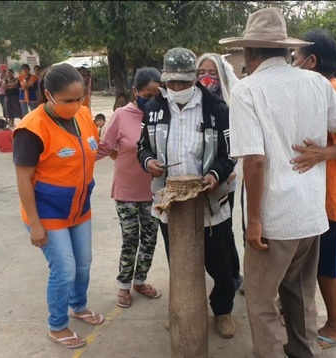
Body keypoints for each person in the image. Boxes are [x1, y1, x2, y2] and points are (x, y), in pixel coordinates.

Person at [220, 8, 336, 358]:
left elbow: (254, 161)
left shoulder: (247, 90)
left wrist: (254, 220)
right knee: (300, 294)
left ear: (250, 52)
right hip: (311, 214)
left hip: (275, 218)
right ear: (285, 51)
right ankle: (304, 351)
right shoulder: (317, 83)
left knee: (261, 299)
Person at [137, 47, 238, 339]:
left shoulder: (216, 110)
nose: (177, 88)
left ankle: (223, 311)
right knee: (179, 262)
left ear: (194, 78)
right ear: (165, 79)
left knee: (219, 263)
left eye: (184, 82)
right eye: (172, 83)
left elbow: (229, 153)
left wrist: (215, 175)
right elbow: (141, 146)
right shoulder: (154, 109)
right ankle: (183, 309)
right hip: (171, 202)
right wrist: (149, 162)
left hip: (209, 199)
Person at [13, 63, 104, 350]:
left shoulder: (84, 115)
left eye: (80, 99)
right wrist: (35, 224)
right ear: (49, 96)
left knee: (84, 264)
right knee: (64, 269)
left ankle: (78, 306)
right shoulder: (31, 129)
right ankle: (57, 325)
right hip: (48, 212)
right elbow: (24, 179)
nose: (76, 106)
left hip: (79, 207)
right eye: (68, 101)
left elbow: (88, 153)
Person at [290, 28, 336, 350]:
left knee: (326, 269)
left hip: (332, 200)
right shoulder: (317, 88)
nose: (292, 63)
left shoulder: (331, 89)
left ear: (311, 61)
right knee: (317, 266)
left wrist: (321, 153)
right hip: (319, 197)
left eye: (296, 58)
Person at [97, 67, 162, 309]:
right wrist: (76, 165)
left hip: (155, 192)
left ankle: (140, 280)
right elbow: (105, 147)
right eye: (147, 95)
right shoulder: (121, 116)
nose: (152, 100)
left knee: (150, 239)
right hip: (126, 192)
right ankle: (124, 284)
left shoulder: (163, 114)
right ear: (135, 92)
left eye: (157, 95)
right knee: (130, 239)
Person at [197, 53, 244, 293]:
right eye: (201, 73)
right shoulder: (195, 104)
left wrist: (228, 168)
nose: (206, 78)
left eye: (212, 73)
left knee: (224, 228)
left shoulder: (231, 103)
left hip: (227, 176)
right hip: (199, 179)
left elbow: (238, 141)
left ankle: (232, 275)